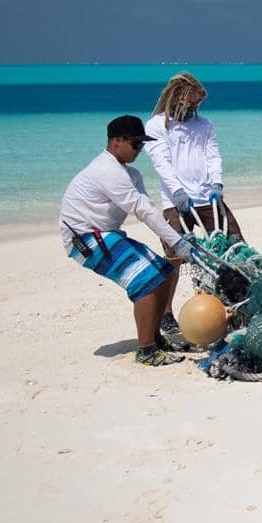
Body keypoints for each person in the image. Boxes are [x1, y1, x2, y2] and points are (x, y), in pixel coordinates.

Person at [59, 115, 195, 367]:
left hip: (106, 234)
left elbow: (148, 208)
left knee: (164, 272)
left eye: (142, 145)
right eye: (135, 144)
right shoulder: (107, 170)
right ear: (116, 142)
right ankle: (146, 351)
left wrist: (177, 238)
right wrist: (177, 242)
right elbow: (140, 209)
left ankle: (154, 338)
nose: (139, 150)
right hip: (85, 239)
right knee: (146, 281)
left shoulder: (131, 174)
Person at [144, 72, 242, 334]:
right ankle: (166, 315)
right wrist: (177, 192)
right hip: (176, 201)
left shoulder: (204, 124)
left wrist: (217, 185)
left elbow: (213, 156)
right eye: (192, 104)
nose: (195, 109)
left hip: (207, 197)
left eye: (199, 104)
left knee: (234, 244)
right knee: (172, 256)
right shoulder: (156, 126)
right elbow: (161, 162)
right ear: (179, 99)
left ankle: (234, 304)